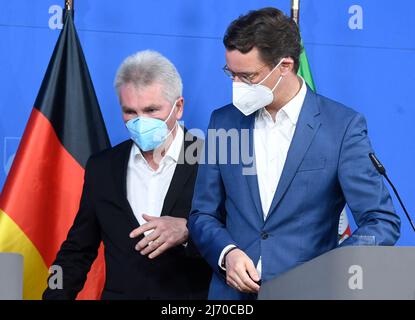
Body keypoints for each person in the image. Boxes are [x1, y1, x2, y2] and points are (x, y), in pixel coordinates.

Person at [188, 7, 400, 300]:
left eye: (247, 76)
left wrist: (329, 270)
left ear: (284, 66)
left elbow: (381, 222)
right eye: (231, 74)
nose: (236, 86)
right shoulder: (224, 122)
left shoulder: (342, 127)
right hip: (230, 296)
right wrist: (227, 253)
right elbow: (202, 214)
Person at [43, 50, 211, 300]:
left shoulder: (212, 160)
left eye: (152, 109)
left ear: (178, 108)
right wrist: (53, 295)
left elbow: (240, 239)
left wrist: (189, 230)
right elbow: (76, 251)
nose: (141, 121)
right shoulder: (102, 167)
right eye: (130, 112)